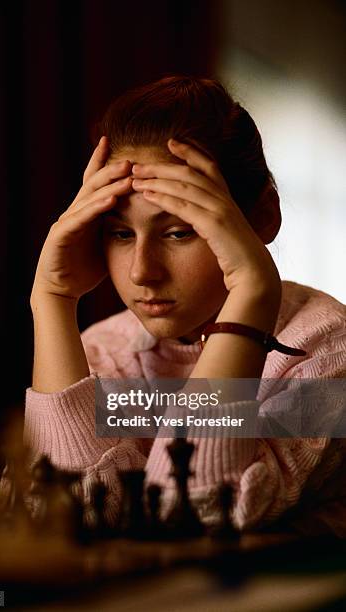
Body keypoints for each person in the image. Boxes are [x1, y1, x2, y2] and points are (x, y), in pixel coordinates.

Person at [23, 76, 346, 533]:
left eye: (179, 232)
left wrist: (252, 291)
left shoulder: (330, 353)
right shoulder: (103, 350)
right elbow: (69, 518)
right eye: (120, 233)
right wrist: (51, 299)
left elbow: (195, 513)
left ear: (263, 218)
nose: (141, 272)